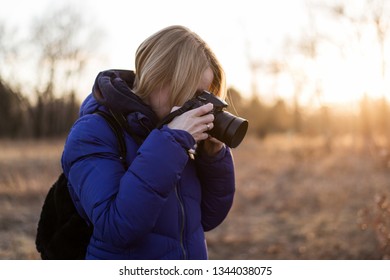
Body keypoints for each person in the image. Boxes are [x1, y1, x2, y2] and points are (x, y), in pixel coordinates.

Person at [61, 25, 235, 260]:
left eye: (204, 96)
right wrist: (173, 142)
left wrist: (213, 156)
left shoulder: (175, 132)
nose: (200, 106)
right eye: (194, 94)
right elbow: (116, 227)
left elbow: (208, 218)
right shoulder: (93, 132)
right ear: (159, 78)